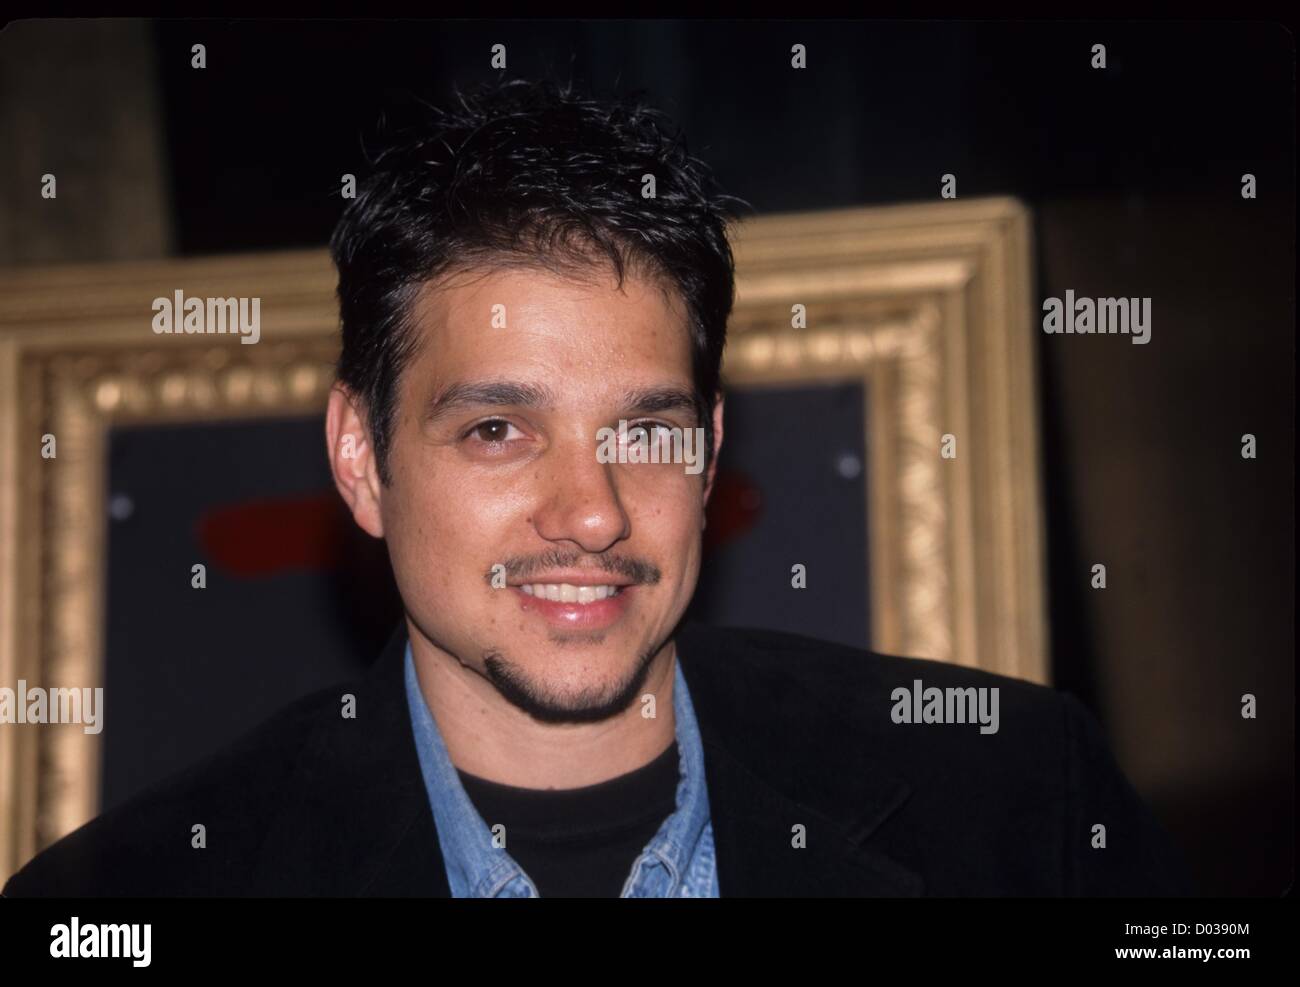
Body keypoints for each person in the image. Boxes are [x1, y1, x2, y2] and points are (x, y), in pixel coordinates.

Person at [2, 78, 1193, 898]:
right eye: (499, 430)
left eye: (647, 429)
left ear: (712, 448)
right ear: (360, 457)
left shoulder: (1019, 796)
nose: (593, 512)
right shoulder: (128, 902)